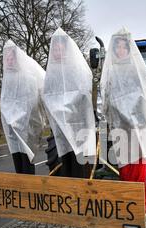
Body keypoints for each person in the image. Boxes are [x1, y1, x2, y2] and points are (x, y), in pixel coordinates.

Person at [100, 28, 146, 211]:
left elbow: (145, 98)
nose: (120, 50)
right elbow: (106, 98)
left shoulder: (136, 71)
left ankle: (139, 207)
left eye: (123, 47)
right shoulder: (110, 73)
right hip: (120, 127)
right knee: (125, 168)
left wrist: (137, 119)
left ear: (128, 50)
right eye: (117, 47)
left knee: (138, 168)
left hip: (137, 127)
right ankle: (129, 206)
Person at [42, 28, 96, 178]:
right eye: (56, 48)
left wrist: (69, 107)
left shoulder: (76, 69)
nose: (58, 50)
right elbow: (47, 94)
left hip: (78, 126)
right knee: (64, 164)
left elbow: (84, 92)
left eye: (61, 47)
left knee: (80, 165)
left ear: (66, 49)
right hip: (59, 126)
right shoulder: (52, 73)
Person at [0, 40, 46, 175]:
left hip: (24, 126)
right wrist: (9, 118)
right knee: (17, 158)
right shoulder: (7, 78)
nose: (8, 59)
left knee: (26, 159)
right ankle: (21, 187)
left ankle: (29, 187)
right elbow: (5, 101)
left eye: (11, 56)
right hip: (11, 126)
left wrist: (19, 118)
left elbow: (30, 101)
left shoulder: (27, 76)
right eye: (6, 56)